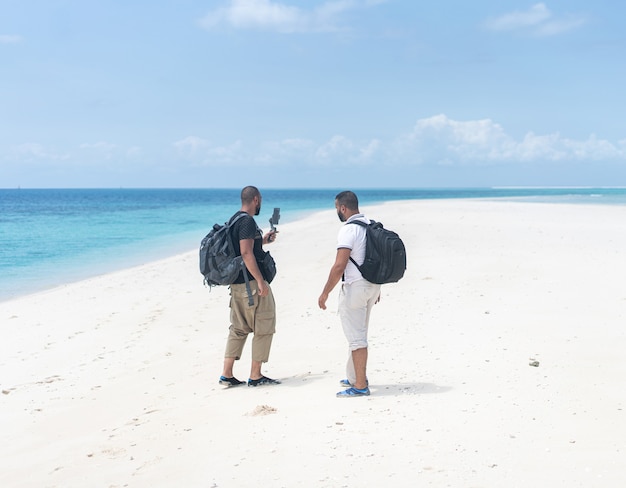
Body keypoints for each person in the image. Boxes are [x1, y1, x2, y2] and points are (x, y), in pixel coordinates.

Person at [318, 191, 381, 397]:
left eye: (337, 208)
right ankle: (354, 376)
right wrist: (377, 286)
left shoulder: (348, 230)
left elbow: (339, 266)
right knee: (358, 333)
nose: (337, 211)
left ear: (343, 208)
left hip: (355, 288)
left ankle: (360, 385)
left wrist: (325, 292)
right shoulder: (370, 225)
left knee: (357, 339)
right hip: (372, 286)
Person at [219, 186, 281, 388]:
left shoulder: (234, 219)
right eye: (260, 199)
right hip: (251, 284)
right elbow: (246, 254)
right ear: (256, 199)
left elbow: (243, 248)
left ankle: (226, 374)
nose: (260, 203)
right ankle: (255, 375)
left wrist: (262, 241)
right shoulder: (247, 221)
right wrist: (261, 282)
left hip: (236, 285)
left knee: (238, 328)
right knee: (264, 325)